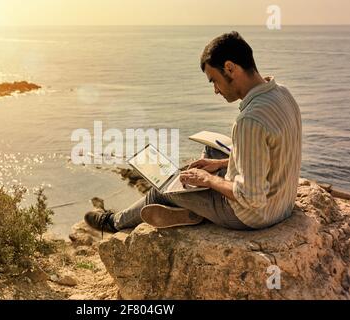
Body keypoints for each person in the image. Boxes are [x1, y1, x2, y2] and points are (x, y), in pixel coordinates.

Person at [84, 31, 302, 234]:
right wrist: (219, 165)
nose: (215, 90)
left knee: (163, 190)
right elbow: (270, 155)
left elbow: (251, 197)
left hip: (254, 215)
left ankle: (113, 223)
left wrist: (208, 180)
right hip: (283, 202)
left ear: (230, 68)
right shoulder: (281, 93)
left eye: (214, 80)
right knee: (210, 154)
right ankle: (190, 211)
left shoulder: (250, 120)